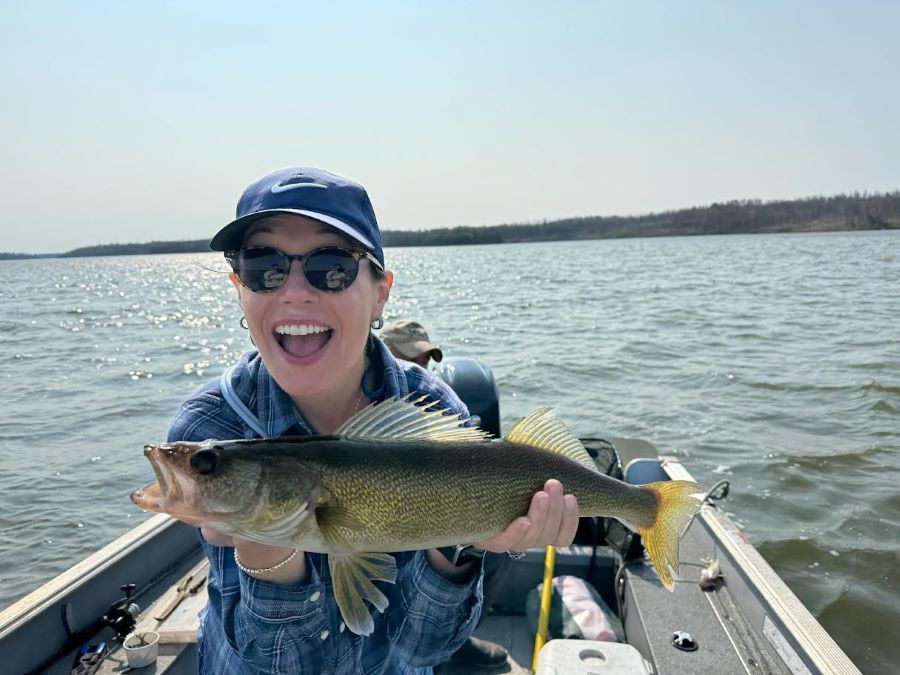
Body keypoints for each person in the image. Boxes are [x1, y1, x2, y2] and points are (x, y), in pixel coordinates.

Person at [166, 166, 580, 674]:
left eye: (332, 266)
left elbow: (424, 652)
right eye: (264, 265)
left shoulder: (432, 410)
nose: (294, 291)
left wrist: (467, 544)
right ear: (238, 286)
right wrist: (266, 556)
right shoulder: (211, 427)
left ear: (380, 292)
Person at [381, 319, 511, 671]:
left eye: (426, 359)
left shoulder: (435, 400)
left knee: (493, 552)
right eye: (409, 357)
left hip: (429, 520)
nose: (419, 367)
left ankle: (453, 641)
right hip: (382, 532)